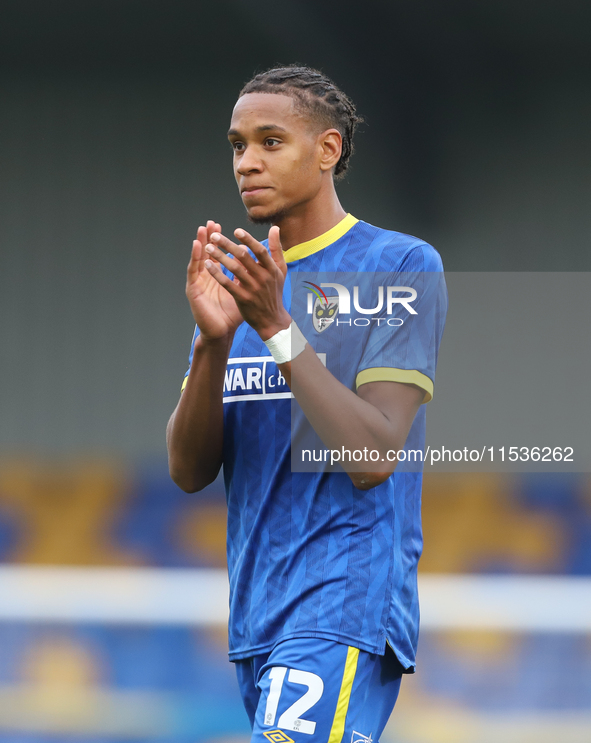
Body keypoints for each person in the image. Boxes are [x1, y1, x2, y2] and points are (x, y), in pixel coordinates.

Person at [167, 65, 447, 743]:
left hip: (340, 602)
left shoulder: (397, 266)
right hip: (257, 615)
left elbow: (374, 455)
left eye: (270, 141)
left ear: (327, 150)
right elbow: (188, 469)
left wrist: (274, 327)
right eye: (237, 145)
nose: (247, 162)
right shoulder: (241, 287)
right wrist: (212, 342)